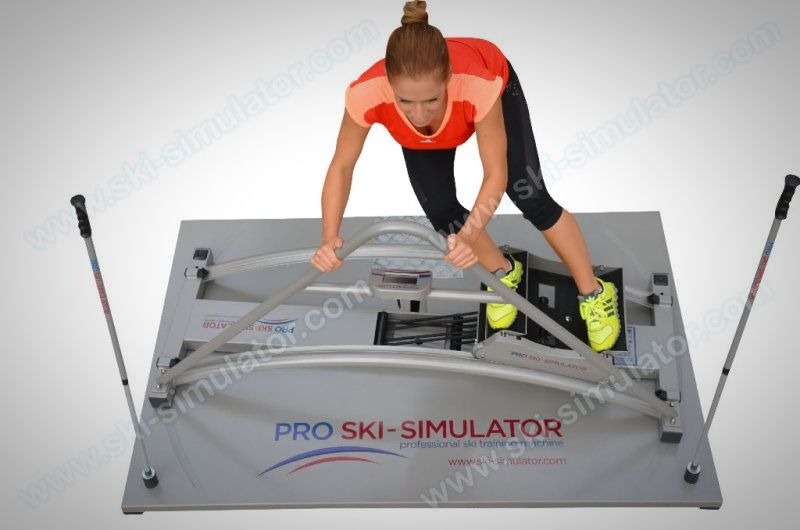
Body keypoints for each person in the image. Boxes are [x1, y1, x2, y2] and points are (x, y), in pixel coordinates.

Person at [311, 0, 620, 352]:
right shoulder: (364, 93)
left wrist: (470, 235)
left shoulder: (477, 83)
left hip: (485, 88)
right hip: (440, 123)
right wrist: (329, 237)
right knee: (442, 211)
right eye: (405, 102)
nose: (418, 114)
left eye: (431, 99)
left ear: (448, 79)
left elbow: (495, 174)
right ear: (389, 84)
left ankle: (594, 291)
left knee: (529, 194)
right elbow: (341, 167)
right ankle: (503, 273)